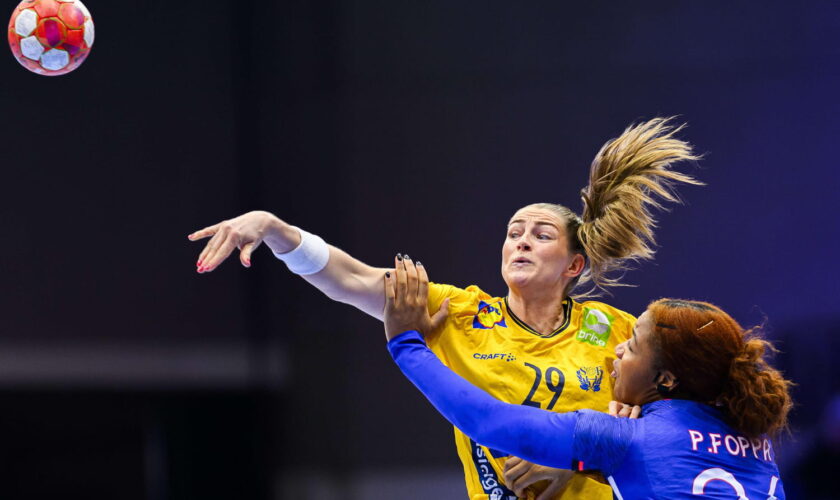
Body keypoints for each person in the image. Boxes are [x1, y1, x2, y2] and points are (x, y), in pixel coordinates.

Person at [189, 118, 701, 499]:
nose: (520, 242)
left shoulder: (617, 332)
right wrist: (276, 229)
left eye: (541, 235)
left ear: (574, 266)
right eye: (513, 233)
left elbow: (665, 425)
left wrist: (580, 460)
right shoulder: (460, 313)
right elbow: (350, 279)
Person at [383, 258, 793, 499]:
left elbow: (489, 423)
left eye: (630, 346)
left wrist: (407, 343)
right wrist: (580, 463)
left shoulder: (623, 438)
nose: (616, 350)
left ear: (666, 379)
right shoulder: (753, 438)